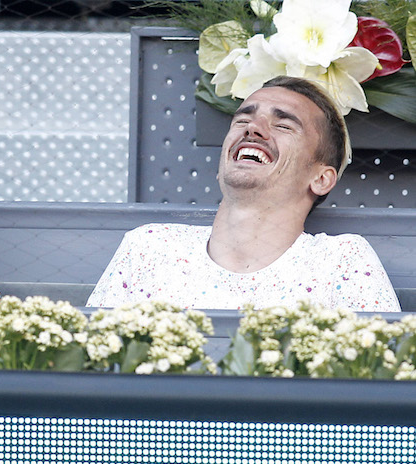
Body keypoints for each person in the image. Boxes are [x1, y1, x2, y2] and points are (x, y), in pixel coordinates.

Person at [88, 76, 400, 312]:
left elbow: (385, 385)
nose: (253, 128)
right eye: (243, 119)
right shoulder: (149, 247)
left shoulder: (342, 262)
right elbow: (93, 372)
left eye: (284, 125)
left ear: (321, 178)